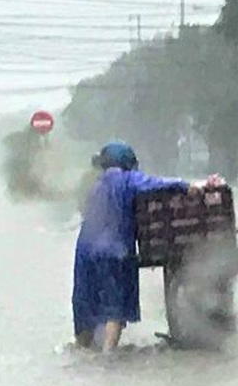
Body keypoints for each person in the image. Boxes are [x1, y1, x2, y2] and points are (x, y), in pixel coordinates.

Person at [72, 141, 203, 353]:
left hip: (85, 252)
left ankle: (82, 349)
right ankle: (108, 356)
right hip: (115, 252)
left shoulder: (95, 186)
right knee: (114, 307)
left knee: (86, 302)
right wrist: (187, 186)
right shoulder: (127, 179)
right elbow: (157, 184)